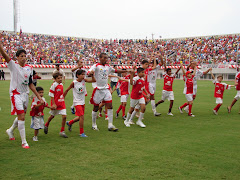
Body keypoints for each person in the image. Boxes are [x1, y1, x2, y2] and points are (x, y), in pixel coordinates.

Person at [0, 35, 44, 149]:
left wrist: (38, 96)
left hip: (25, 95)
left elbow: (30, 84)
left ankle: (10, 130)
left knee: (21, 116)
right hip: (16, 95)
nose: (24, 58)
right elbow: (5, 55)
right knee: (22, 117)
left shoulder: (29, 69)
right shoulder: (13, 66)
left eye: (25, 56)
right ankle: (24, 142)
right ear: (17, 58)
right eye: (21, 56)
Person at [87, 53, 128, 131]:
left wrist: (126, 70)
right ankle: (94, 124)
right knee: (96, 107)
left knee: (110, 106)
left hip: (106, 89)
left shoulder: (108, 67)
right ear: (100, 58)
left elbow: (115, 70)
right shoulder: (96, 66)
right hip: (98, 90)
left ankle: (110, 125)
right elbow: (89, 73)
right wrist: (90, 73)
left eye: (107, 58)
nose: (106, 59)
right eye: (104, 58)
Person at [64, 69, 96, 137]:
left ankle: (69, 123)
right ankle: (81, 133)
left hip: (82, 101)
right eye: (82, 74)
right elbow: (67, 89)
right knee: (82, 117)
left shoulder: (84, 80)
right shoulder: (74, 83)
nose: (83, 76)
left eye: (84, 74)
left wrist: (92, 75)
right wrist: (62, 98)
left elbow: (94, 81)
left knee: (79, 117)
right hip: (77, 102)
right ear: (77, 75)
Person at [44, 72, 68, 138]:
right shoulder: (54, 85)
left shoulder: (61, 85)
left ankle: (62, 131)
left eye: (61, 78)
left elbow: (60, 94)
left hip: (62, 103)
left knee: (64, 117)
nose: (60, 79)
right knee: (52, 116)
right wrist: (54, 103)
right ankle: (46, 124)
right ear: (55, 79)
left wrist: (63, 98)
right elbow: (51, 94)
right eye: (58, 78)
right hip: (56, 104)